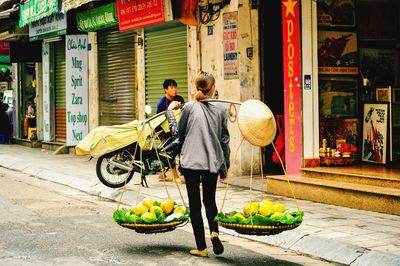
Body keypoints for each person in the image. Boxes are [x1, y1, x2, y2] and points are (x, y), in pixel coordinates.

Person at [167, 71, 230, 257]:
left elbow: (177, 133)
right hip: (212, 162)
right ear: (214, 87)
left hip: (191, 162)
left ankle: (201, 248)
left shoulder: (190, 108)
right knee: (210, 201)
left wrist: (171, 112)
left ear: (197, 87)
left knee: (195, 204)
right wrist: (225, 166)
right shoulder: (221, 109)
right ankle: (214, 232)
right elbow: (225, 140)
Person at [156, 79, 185, 183]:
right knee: (171, 151)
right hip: (164, 131)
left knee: (176, 150)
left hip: (176, 129)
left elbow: (184, 112)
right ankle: (175, 176)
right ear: (165, 90)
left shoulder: (179, 98)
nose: (174, 89)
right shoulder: (162, 103)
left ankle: (162, 174)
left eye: (175, 87)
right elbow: (158, 120)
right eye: (171, 87)